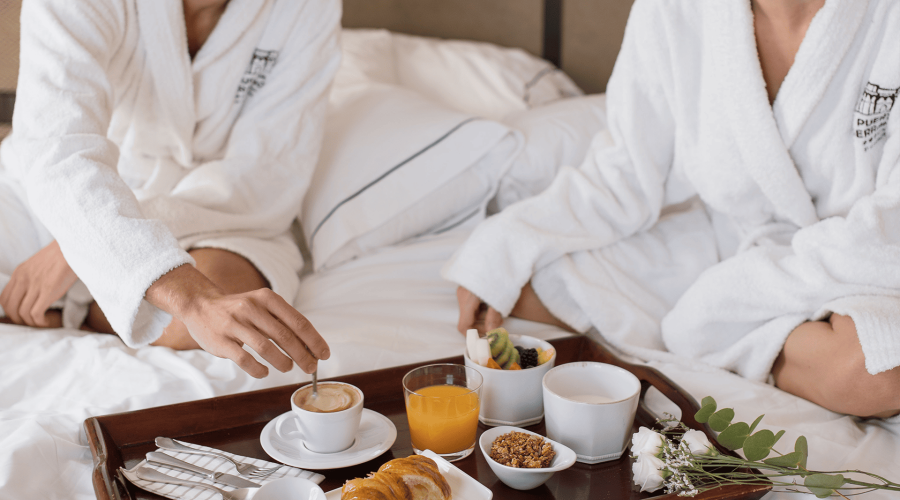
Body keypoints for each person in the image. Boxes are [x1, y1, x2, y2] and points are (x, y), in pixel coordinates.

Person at [444, 0, 900, 418]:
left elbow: (891, 221)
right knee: (529, 281)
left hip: (861, 261)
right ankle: (744, 336)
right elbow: (626, 167)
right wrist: (506, 243)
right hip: (731, 246)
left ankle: (727, 330)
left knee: (876, 374)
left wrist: (728, 298)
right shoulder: (676, 8)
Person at [0, 0, 341, 378]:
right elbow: (58, 149)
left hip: (217, 206)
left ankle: (74, 308)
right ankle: (94, 298)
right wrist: (184, 293)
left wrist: (85, 249)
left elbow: (267, 171)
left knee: (227, 305)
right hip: (64, 189)